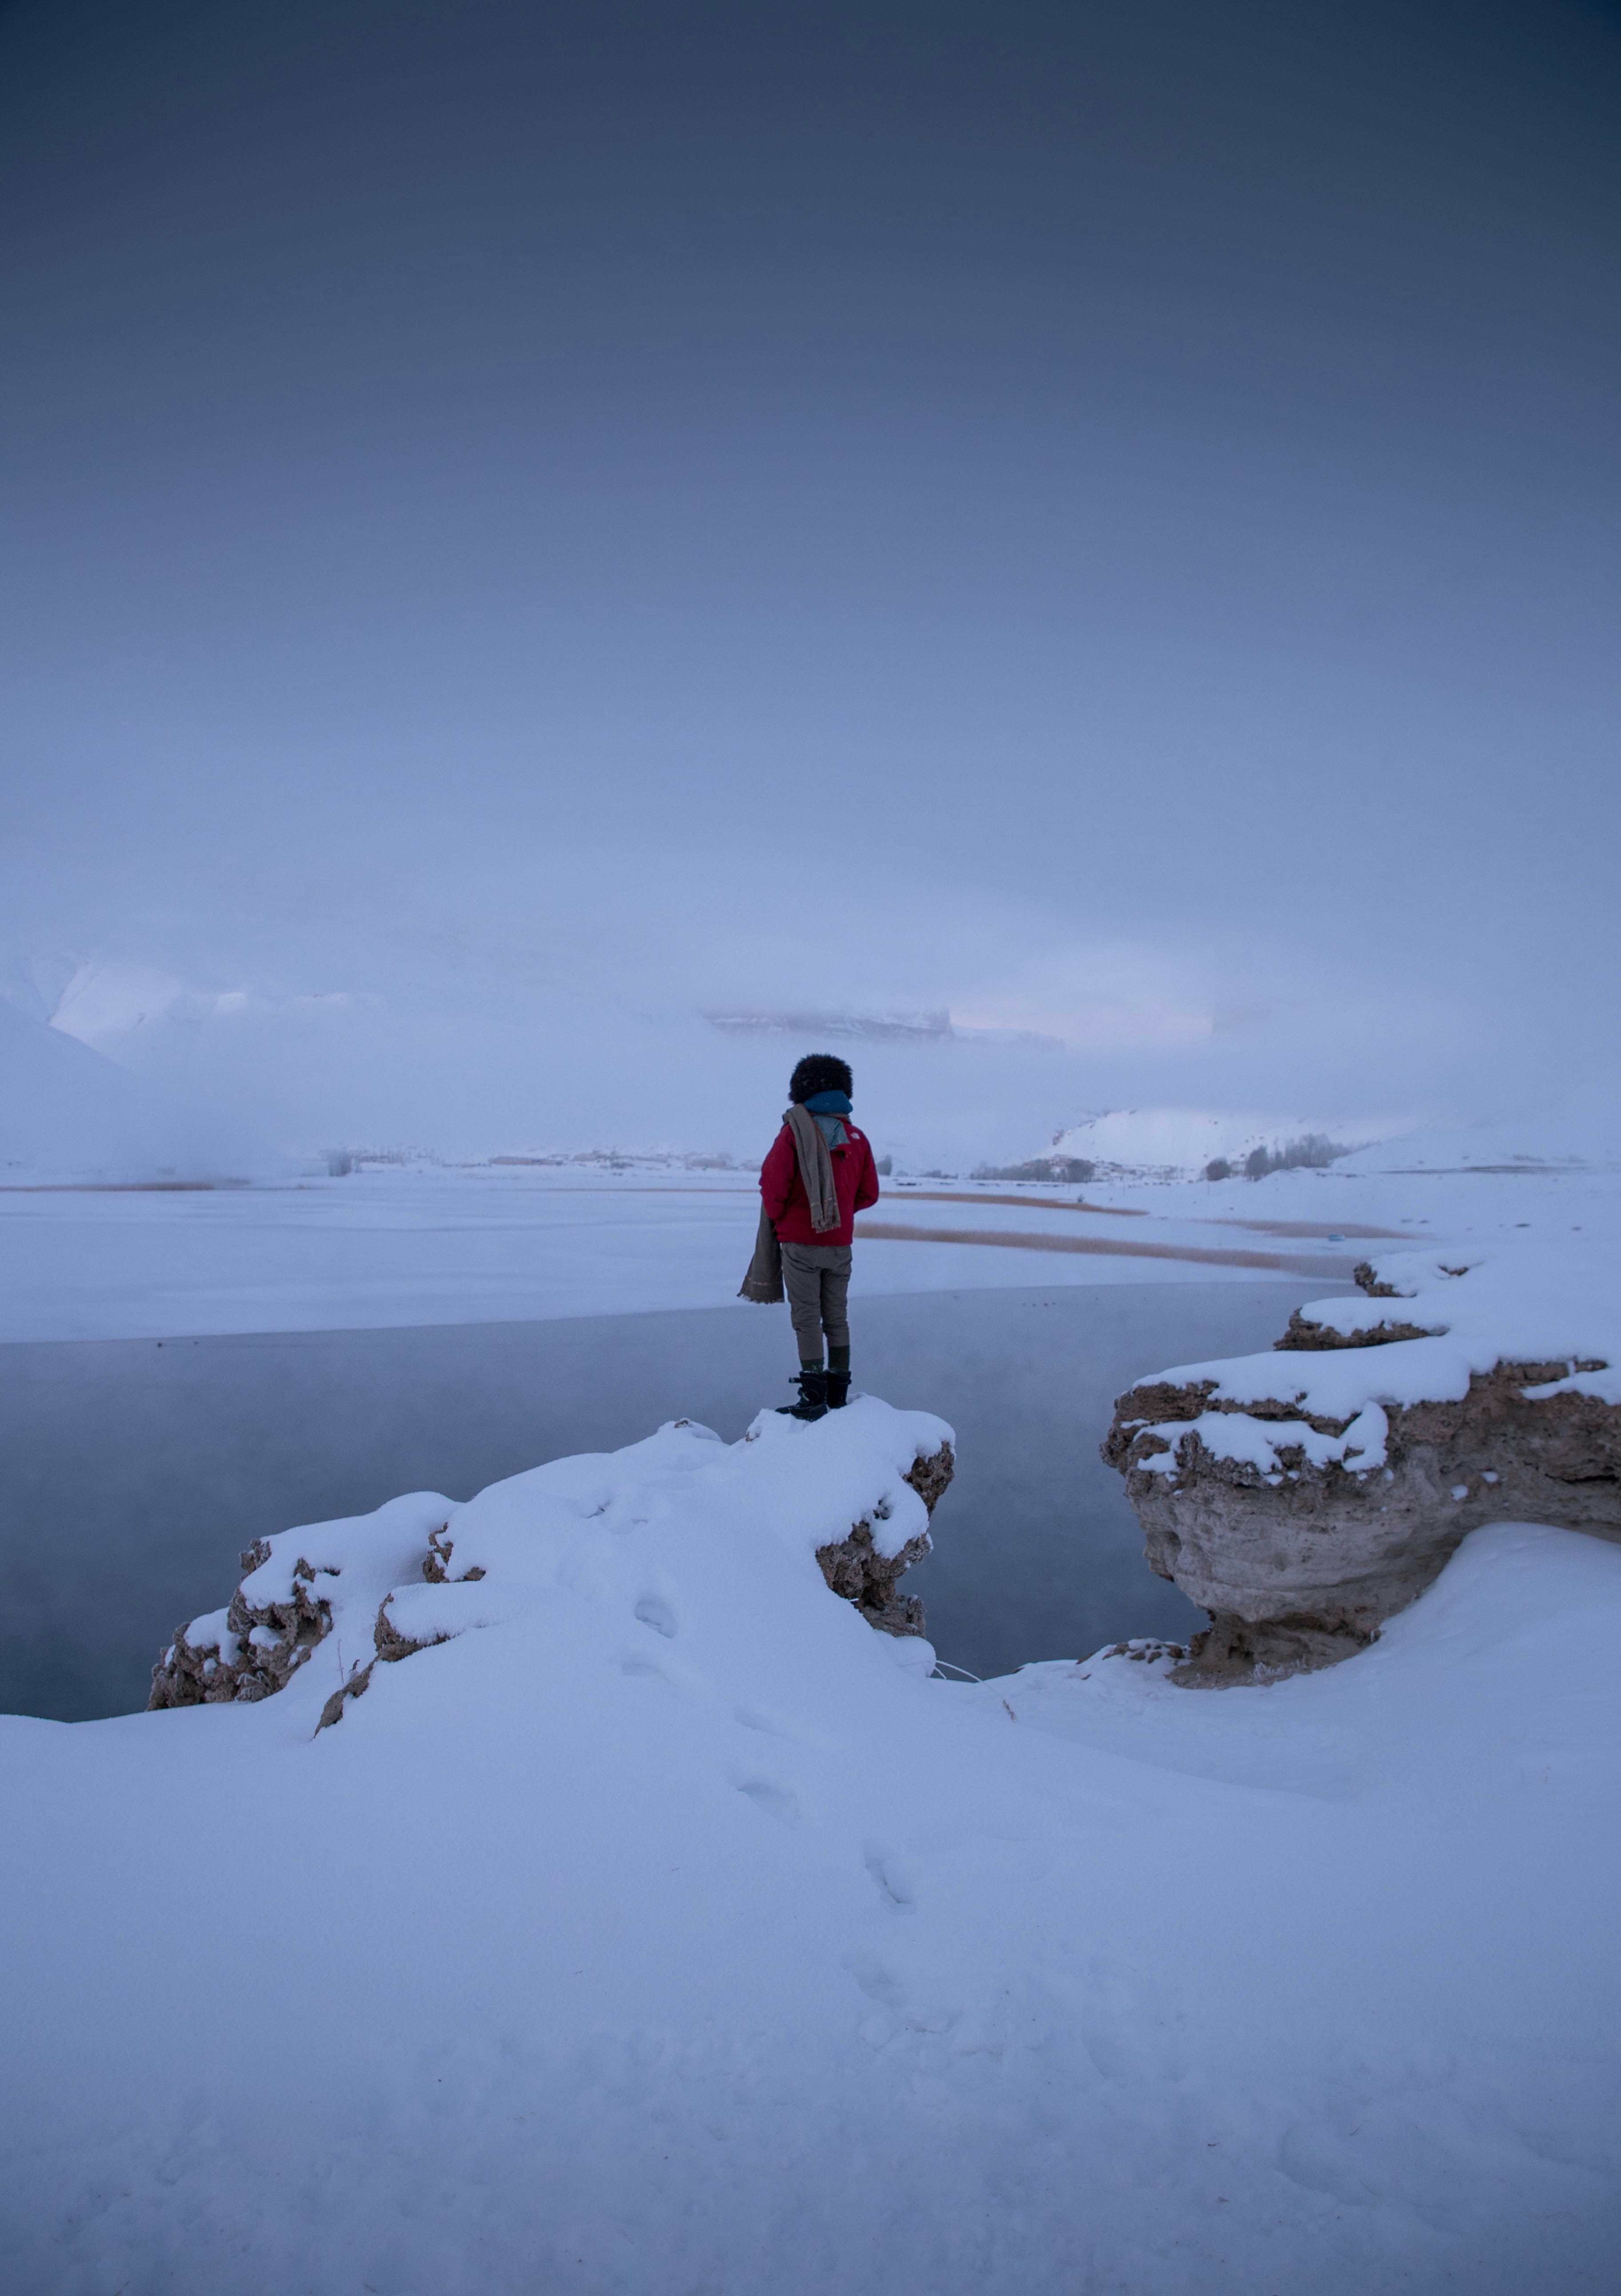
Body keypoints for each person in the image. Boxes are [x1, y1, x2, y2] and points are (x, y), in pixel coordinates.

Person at [737, 1053, 880, 1419]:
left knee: (806, 1318)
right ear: (843, 1091)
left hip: (800, 1243)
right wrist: (839, 1214)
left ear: (801, 1090)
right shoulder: (857, 1136)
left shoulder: (794, 1132)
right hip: (840, 1245)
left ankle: (813, 1396)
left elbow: (773, 1187)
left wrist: (788, 1219)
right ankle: (838, 1394)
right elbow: (869, 1194)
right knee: (837, 1317)